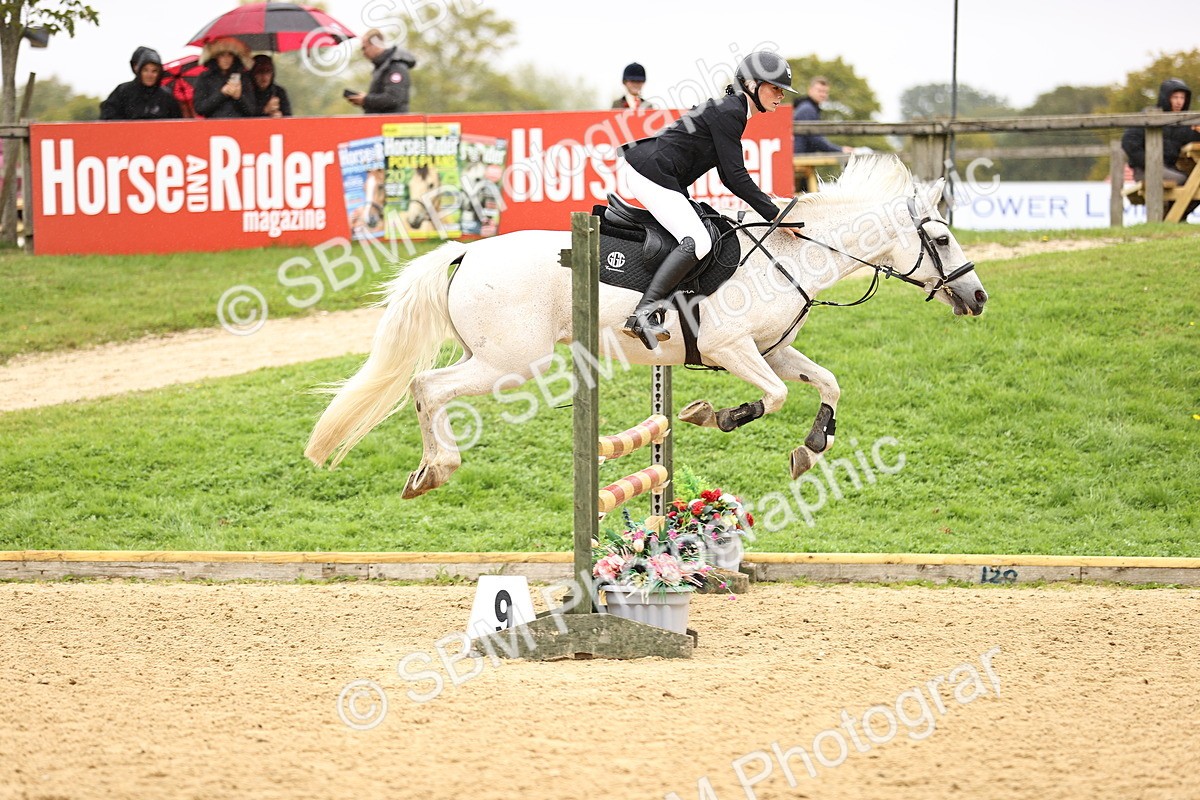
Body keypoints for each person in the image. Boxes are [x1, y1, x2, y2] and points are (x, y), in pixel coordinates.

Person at [617, 51, 801, 349]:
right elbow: (736, 176)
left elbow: (728, 176)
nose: (781, 95)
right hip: (650, 171)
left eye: (783, 90)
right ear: (752, 84)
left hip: (656, 172)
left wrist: (771, 209)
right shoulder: (731, 112)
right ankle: (644, 313)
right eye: (775, 87)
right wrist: (776, 215)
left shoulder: (733, 110)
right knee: (699, 241)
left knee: (704, 229)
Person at [1121, 77, 1200, 189]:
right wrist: (1150, 163)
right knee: (1186, 183)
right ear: (1166, 97)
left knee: (1194, 183)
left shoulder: (1183, 123)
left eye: (1182, 97)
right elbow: (1128, 142)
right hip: (1144, 170)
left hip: (1169, 168)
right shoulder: (1149, 115)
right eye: (1175, 97)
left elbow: (1191, 138)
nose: (1179, 102)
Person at [345, 28, 416, 114]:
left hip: (391, 121)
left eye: (364, 48)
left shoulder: (395, 67)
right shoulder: (384, 66)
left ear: (374, 45)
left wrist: (366, 100)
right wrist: (366, 100)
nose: (363, 53)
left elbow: (393, 99)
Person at [99, 46, 181, 120]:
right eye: (145, 70)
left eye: (154, 71)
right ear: (139, 71)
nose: (149, 75)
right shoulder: (122, 92)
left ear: (159, 73)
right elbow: (108, 118)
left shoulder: (166, 96)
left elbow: (176, 123)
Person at [192, 37, 256, 119]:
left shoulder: (243, 77)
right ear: (215, 57)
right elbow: (199, 108)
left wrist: (239, 97)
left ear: (235, 57)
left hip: (238, 124)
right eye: (222, 55)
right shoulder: (205, 78)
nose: (226, 59)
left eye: (230, 55)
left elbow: (252, 110)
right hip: (214, 124)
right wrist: (222, 94)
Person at [792, 76, 852, 155]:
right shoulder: (807, 110)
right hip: (799, 157)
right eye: (819, 91)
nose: (823, 94)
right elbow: (816, 139)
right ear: (810, 90)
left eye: (825, 92)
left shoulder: (807, 107)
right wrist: (840, 150)